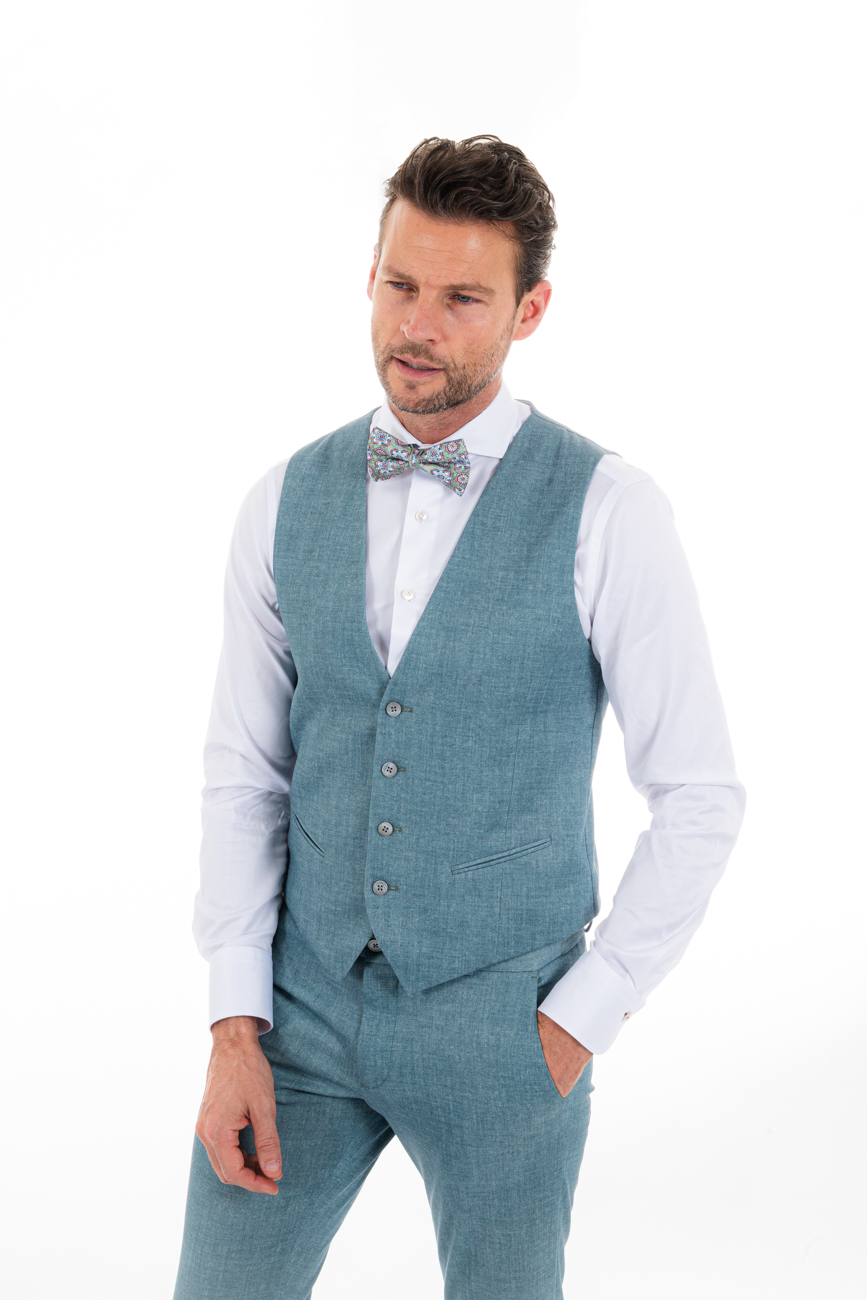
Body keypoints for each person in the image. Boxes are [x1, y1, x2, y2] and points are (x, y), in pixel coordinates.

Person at [172, 134, 745, 1300]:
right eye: (400, 284)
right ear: (369, 277)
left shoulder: (610, 510)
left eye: (462, 298)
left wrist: (577, 1021)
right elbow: (245, 773)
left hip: (506, 1024)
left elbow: (699, 794)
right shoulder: (281, 499)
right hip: (295, 1016)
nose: (417, 325)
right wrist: (234, 1022)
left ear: (530, 310)